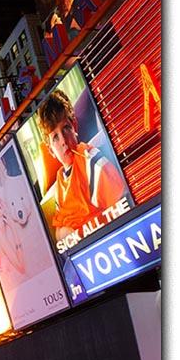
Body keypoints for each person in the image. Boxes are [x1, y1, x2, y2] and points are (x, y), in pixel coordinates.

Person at [36, 88, 127, 244]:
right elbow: (59, 232)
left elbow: (123, 205)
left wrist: (79, 234)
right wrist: (67, 233)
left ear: (75, 127)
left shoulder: (90, 161)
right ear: (50, 149)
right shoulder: (60, 180)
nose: (64, 141)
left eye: (66, 128)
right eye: (55, 137)